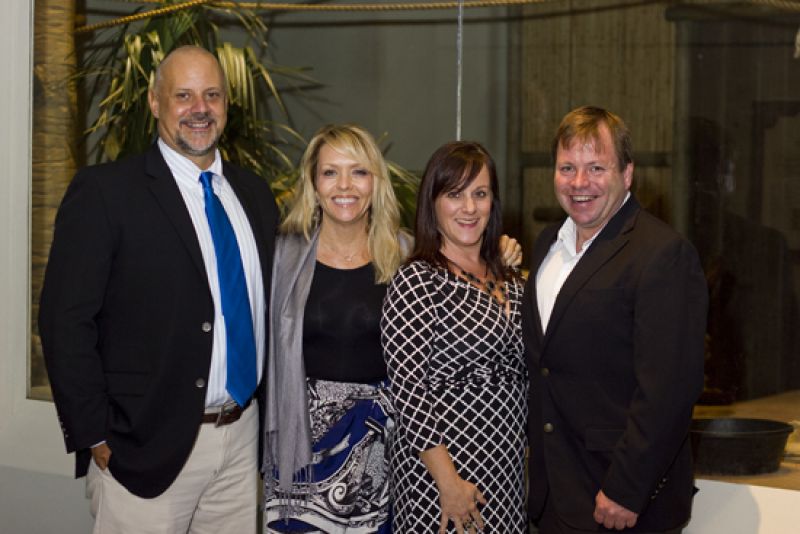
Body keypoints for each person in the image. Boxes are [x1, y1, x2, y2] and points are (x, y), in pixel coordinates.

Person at [38, 45, 278, 533]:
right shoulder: (106, 193)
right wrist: (95, 434)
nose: (199, 109)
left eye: (212, 95)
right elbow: (64, 320)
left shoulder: (254, 194)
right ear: (154, 102)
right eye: (183, 95)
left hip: (241, 440)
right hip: (142, 445)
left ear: (227, 104)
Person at [262, 127, 522, 533]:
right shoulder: (283, 256)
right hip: (302, 444)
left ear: (376, 183)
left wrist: (498, 251)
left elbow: (465, 264)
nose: (345, 185)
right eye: (331, 173)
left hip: (384, 448)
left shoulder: (404, 254)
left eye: (359, 172)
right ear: (313, 184)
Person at [522, 106, 708, 533]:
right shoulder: (549, 242)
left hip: (620, 502)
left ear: (627, 174)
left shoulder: (662, 254)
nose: (579, 182)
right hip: (553, 494)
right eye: (567, 167)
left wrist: (627, 487)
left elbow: (670, 389)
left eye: (596, 167)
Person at [381, 141, 528, 534]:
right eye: (455, 194)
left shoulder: (514, 280)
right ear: (433, 202)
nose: (469, 207)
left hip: (506, 474)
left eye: (480, 194)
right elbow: (409, 390)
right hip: (442, 477)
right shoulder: (417, 280)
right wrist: (448, 484)